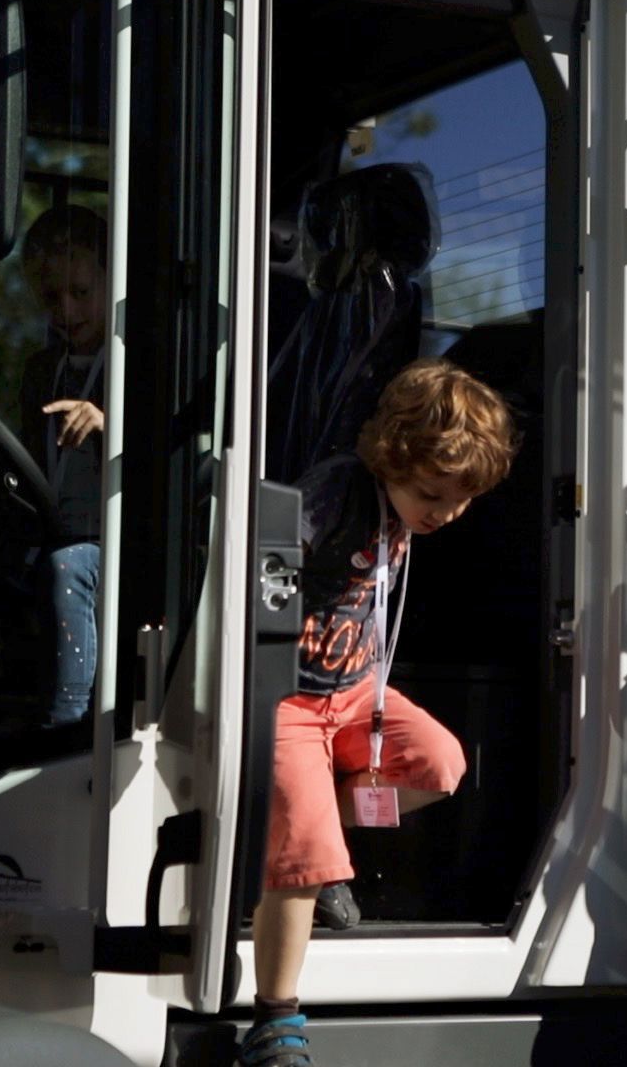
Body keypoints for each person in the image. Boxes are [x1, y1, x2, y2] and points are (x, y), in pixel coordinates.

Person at [241, 358, 518, 1067]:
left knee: (439, 765)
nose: (443, 514)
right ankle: (275, 1016)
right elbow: (265, 556)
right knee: (303, 859)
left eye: (461, 502)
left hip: (357, 694)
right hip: (293, 696)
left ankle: (317, 836)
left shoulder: (404, 516)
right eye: (432, 494)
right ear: (393, 456)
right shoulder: (340, 490)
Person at [17, 205, 111, 729]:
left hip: (110, 538)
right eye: (52, 297)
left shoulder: (134, 363)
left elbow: (163, 449)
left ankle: (69, 719)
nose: (66, 309)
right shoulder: (41, 371)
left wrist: (105, 423)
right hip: (55, 524)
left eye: (80, 292)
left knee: (67, 568)